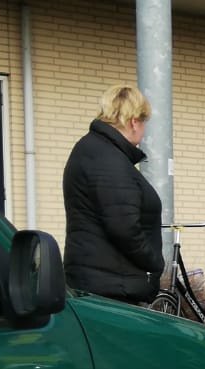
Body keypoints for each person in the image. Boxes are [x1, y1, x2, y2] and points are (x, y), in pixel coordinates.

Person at [62, 84, 163, 304]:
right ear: (133, 122)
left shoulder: (94, 150)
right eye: (144, 122)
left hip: (100, 279)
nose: (144, 130)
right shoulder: (108, 160)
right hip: (111, 287)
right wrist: (154, 262)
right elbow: (124, 227)